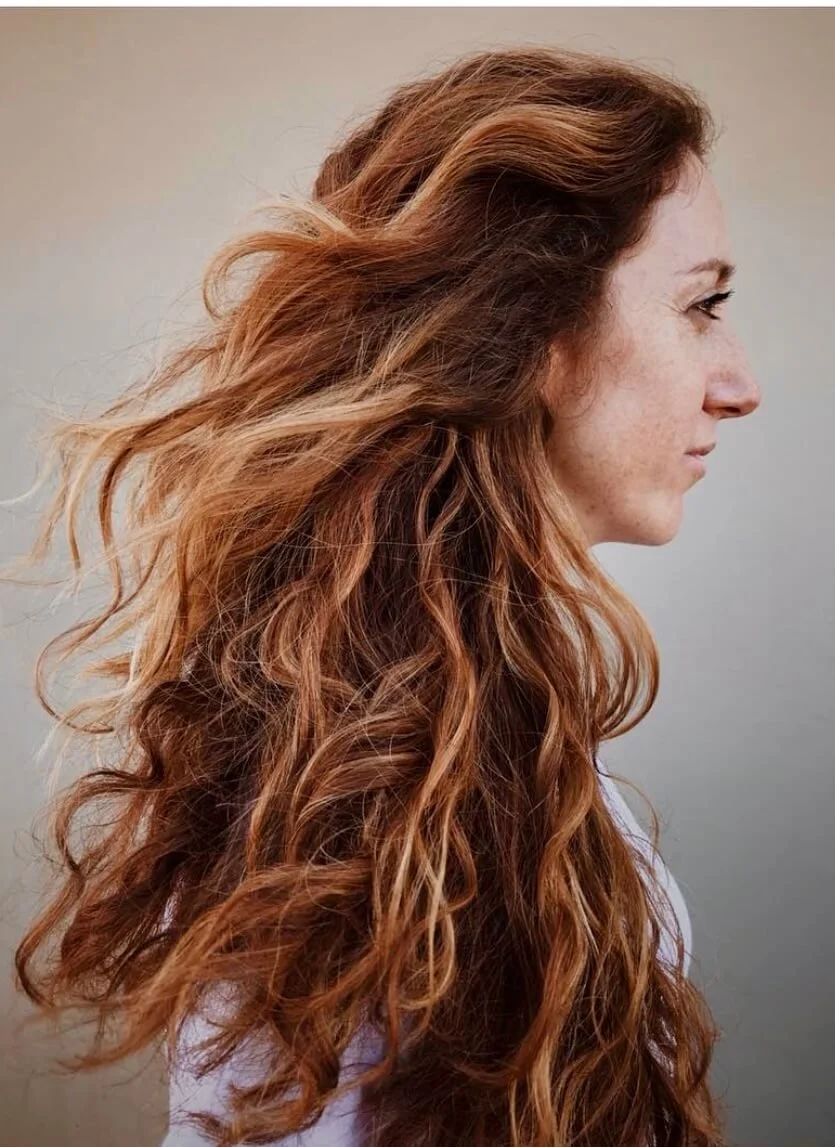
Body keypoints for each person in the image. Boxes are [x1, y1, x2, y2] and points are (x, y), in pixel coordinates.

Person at [8, 43, 761, 1147]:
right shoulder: (370, 780)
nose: (737, 382)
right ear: (538, 334)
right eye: (702, 304)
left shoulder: (457, 721)